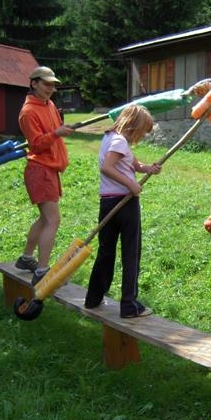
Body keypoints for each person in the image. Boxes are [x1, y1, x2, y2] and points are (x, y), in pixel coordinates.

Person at [83, 104, 161, 318]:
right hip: (124, 203)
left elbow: (132, 164)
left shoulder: (111, 138)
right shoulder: (119, 141)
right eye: (143, 131)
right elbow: (107, 167)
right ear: (134, 125)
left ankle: (93, 298)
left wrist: (148, 168)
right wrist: (131, 184)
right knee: (131, 253)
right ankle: (129, 305)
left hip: (107, 203)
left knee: (106, 251)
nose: (143, 136)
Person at [15, 66, 74, 285]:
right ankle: (42, 271)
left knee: (45, 218)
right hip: (40, 169)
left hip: (50, 168)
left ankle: (26, 258)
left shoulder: (49, 105)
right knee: (53, 219)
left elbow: (54, 131)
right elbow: (37, 144)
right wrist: (57, 133)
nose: (51, 88)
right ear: (34, 83)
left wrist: (61, 129)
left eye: (53, 85)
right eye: (46, 84)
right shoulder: (28, 112)